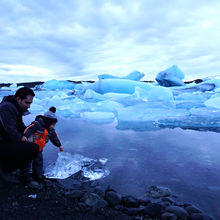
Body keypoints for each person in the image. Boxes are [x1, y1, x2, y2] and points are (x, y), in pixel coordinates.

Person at [0, 87, 39, 183]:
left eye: (30, 103)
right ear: (18, 99)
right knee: (32, 148)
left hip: (3, 141)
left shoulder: (15, 107)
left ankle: (12, 167)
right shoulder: (7, 107)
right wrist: (24, 139)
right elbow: (10, 131)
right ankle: (4, 170)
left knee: (32, 143)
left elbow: (20, 127)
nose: (29, 106)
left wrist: (31, 133)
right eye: (27, 102)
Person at [23, 106, 63, 185]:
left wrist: (59, 145)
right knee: (27, 161)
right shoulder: (37, 124)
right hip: (30, 148)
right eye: (53, 124)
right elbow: (29, 128)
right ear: (48, 122)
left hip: (39, 149)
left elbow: (54, 137)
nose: (53, 126)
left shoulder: (50, 130)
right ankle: (24, 174)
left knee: (38, 162)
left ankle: (37, 175)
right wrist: (25, 136)